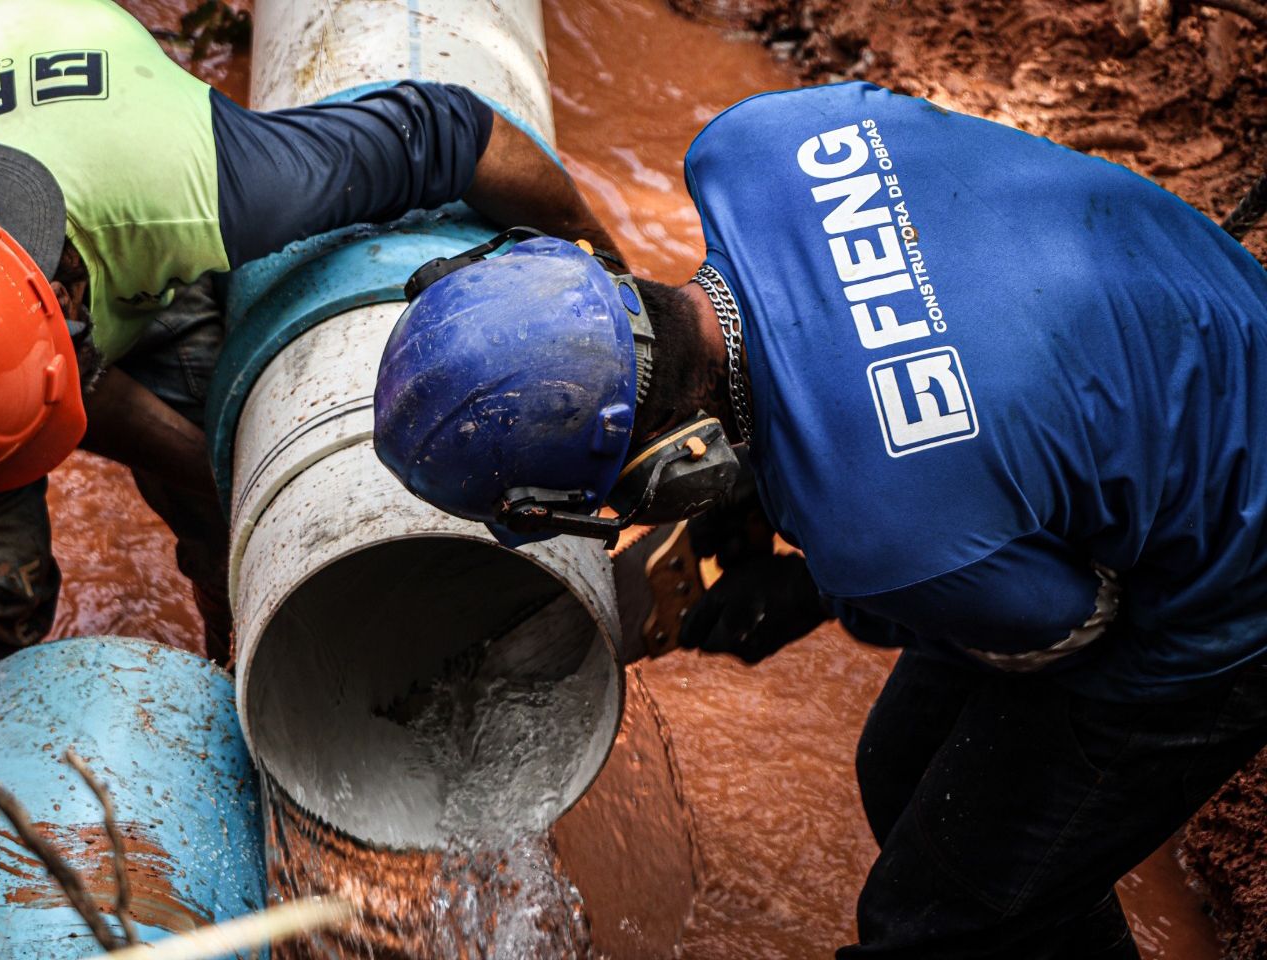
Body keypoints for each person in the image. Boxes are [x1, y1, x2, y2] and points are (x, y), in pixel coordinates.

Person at [372, 79, 1267, 958]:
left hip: (1227, 577)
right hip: (1213, 312)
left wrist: (827, 592)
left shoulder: (886, 535)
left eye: (614, 497)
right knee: (902, 772)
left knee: (931, 925)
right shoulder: (752, 142)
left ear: (662, 463)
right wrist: (786, 485)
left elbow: (1074, 627)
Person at [0, 0, 613, 759]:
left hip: (91, 110)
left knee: (224, 504)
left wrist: (602, 266)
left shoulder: (198, 184)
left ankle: (243, 704)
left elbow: (451, 131)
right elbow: (42, 392)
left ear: (74, 306)